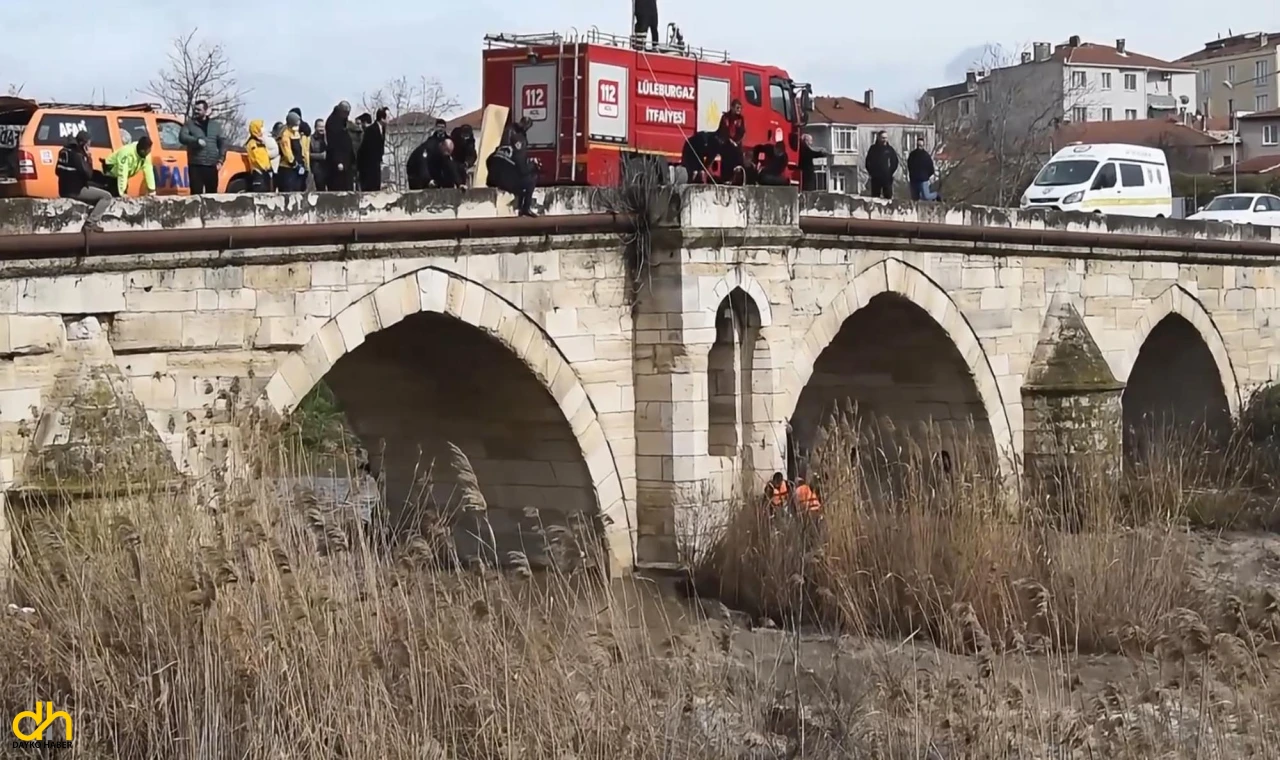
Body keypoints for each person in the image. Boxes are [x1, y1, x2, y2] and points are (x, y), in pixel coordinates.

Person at [57, 130, 111, 232]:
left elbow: (57, 171)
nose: (89, 145)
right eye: (88, 143)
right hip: (75, 190)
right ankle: (91, 222)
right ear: (84, 143)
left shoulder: (63, 151)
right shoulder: (78, 155)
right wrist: (88, 158)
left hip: (63, 188)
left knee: (96, 187)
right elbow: (88, 175)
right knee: (106, 196)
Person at [487, 115, 538, 217]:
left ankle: (519, 205)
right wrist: (533, 165)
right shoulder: (518, 147)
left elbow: (488, 161)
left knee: (516, 178)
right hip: (505, 181)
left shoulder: (498, 150)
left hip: (492, 179)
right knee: (531, 179)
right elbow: (522, 170)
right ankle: (525, 208)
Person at [178, 99, 227, 195]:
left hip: (211, 165)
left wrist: (221, 160)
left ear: (205, 111)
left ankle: (211, 210)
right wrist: (196, 141)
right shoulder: (189, 124)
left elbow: (223, 143)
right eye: (195, 109)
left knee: (212, 195)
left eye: (199, 110)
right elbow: (182, 137)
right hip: (195, 164)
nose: (196, 112)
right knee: (196, 195)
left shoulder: (215, 126)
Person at [325, 101, 358, 192]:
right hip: (338, 162)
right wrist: (338, 161)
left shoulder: (342, 121)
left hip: (347, 161)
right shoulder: (333, 122)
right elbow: (333, 144)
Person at [276, 112, 310, 192]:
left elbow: (302, 149)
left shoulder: (297, 133)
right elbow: (287, 151)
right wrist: (294, 164)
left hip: (299, 167)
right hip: (288, 168)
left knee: (299, 190)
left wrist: (304, 163)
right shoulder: (285, 135)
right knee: (289, 191)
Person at [357, 107, 387, 192]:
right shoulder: (371, 130)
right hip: (368, 167)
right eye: (388, 117)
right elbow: (364, 150)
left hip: (376, 165)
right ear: (382, 118)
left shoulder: (383, 128)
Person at [864, 130, 899, 200]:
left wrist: (890, 172)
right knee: (875, 198)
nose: (884, 140)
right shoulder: (873, 149)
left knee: (888, 198)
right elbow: (868, 162)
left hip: (887, 178)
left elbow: (895, 162)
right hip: (875, 178)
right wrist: (871, 173)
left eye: (886, 138)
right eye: (883, 138)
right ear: (879, 138)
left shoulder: (890, 149)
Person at [907, 136, 938, 201]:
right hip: (914, 180)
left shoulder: (926, 156)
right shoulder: (912, 155)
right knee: (914, 199)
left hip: (923, 180)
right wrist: (911, 174)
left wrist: (926, 176)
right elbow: (909, 165)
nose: (919, 147)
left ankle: (936, 195)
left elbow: (931, 168)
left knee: (926, 196)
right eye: (918, 145)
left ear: (923, 146)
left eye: (921, 145)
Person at [245, 120, 273, 192]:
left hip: (265, 173)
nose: (263, 129)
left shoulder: (261, 142)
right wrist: (265, 167)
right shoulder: (252, 143)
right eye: (261, 127)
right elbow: (256, 158)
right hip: (258, 173)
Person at [310, 118, 328, 191]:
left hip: (328, 168)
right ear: (315, 127)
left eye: (323, 127)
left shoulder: (327, 138)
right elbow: (307, 154)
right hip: (317, 169)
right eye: (320, 127)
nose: (322, 129)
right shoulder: (311, 139)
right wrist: (320, 156)